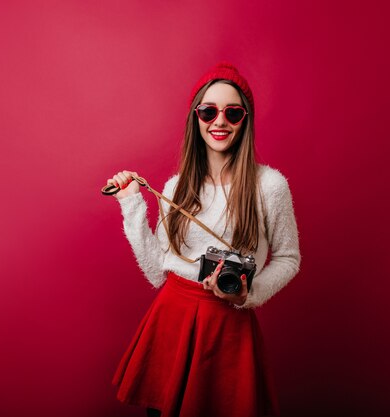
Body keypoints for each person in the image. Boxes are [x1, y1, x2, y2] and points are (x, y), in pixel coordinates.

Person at [107, 62, 301, 417]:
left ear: (246, 120)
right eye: (209, 111)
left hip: (228, 324)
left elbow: (289, 257)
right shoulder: (176, 187)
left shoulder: (270, 186)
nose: (219, 121)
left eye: (233, 112)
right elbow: (156, 272)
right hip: (171, 321)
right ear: (196, 118)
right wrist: (131, 203)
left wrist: (248, 294)